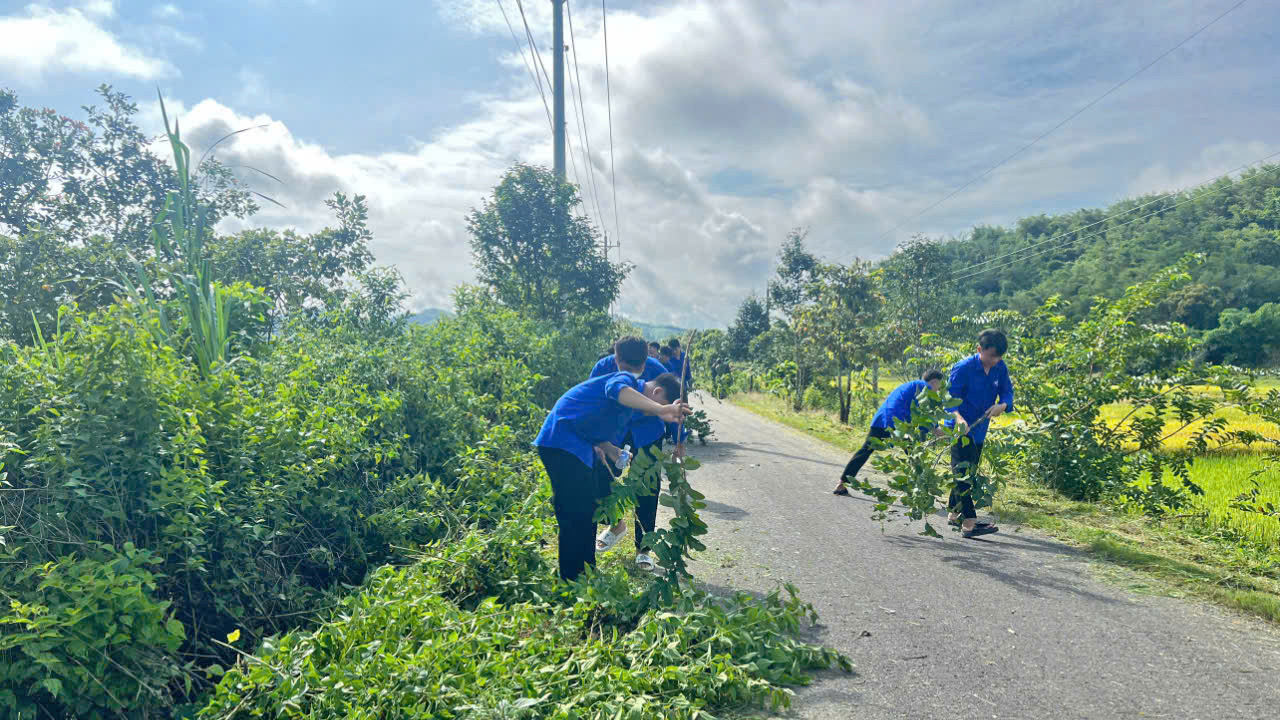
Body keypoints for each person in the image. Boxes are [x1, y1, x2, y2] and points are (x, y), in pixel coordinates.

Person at [533, 366, 688, 581]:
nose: (657, 412)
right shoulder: (623, 380)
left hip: (581, 446)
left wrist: (608, 448)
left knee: (586, 512)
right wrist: (660, 410)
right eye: (661, 407)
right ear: (657, 393)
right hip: (563, 445)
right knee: (577, 513)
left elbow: (589, 425)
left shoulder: (634, 395)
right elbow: (612, 392)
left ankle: (589, 573)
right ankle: (574, 579)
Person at [589, 337, 687, 571]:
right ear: (616, 357)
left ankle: (643, 549)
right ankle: (614, 523)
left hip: (647, 433)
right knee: (600, 477)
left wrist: (679, 440)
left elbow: (674, 406)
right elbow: (593, 404)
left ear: (647, 359)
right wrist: (596, 440)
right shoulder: (603, 368)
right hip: (614, 434)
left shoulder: (658, 371)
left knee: (647, 487)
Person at [944, 328, 1014, 539]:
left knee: (969, 471)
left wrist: (1002, 406)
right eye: (992, 355)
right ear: (979, 349)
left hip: (980, 429)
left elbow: (1007, 393)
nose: (995, 360)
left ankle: (954, 513)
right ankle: (969, 522)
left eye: (999, 356)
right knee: (962, 473)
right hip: (959, 428)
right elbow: (949, 399)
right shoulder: (963, 368)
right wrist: (959, 419)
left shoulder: (1000, 368)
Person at [833, 369, 946, 496]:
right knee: (914, 455)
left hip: (881, 420)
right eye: (939, 386)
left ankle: (841, 483)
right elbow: (926, 415)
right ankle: (922, 490)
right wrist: (938, 429)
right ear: (934, 382)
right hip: (898, 423)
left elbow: (918, 414)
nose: (938, 390)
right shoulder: (925, 387)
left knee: (865, 451)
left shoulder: (911, 385)